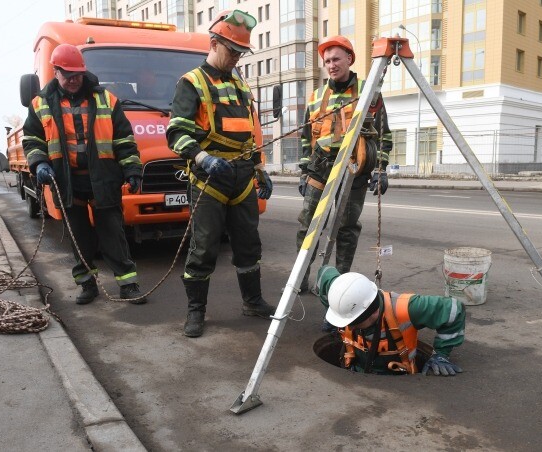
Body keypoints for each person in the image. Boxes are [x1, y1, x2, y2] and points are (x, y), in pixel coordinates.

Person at [166, 10, 275, 338]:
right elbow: (176, 133)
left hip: (241, 177)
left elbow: (248, 135)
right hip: (210, 178)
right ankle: (196, 312)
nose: (237, 58)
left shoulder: (240, 85)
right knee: (203, 249)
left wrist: (259, 170)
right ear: (214, 43)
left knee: (248, 244)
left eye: (241, 53)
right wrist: (202, 157)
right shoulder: (192, 83)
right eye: (233, 51)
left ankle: (252, 301)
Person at [23, 44, 146, 305]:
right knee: (79, 237)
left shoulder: (106, 99)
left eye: (77, 74)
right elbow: (32, 139)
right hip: (66, 181)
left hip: (103, 178)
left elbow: (124, 140)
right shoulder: (41, 103)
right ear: (56, 72)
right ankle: (87, 285)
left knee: (113, 233)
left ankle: (128, 285)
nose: (73, 80)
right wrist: (39, 163)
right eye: (67, 75)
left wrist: (133, 170)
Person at [296, 35, 393, 295]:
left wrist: (381, 169)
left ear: (349, 59)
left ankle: (337, 282)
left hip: (354, 169)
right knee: (308, 225)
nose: (331, 64)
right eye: (327, 60)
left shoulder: (368, 90)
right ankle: (300, 279)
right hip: (321, 168)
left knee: (347, 227)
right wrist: (304, 173)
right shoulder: (317, 97)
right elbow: (307, 138)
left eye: (336, 59)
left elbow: (384, 134)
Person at [317, 265, 465, 376]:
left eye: (354, 323)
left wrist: (441, 354)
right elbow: (325, 272)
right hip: (355, 371)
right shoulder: (345, 296)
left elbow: (453, 309)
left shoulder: (407, 308)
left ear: (373, 312)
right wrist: (335, 314)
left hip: (399, 378)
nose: (350, 327)